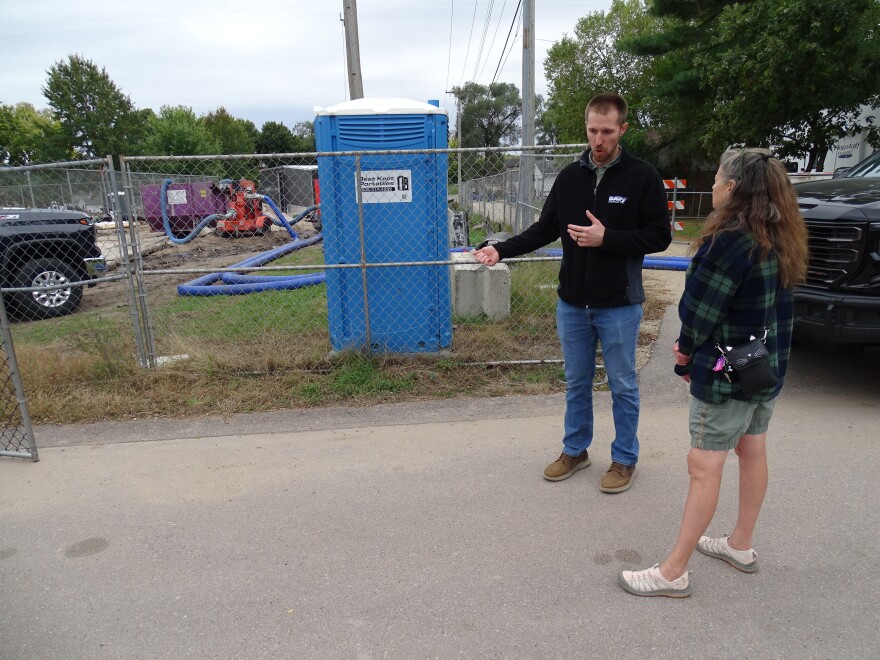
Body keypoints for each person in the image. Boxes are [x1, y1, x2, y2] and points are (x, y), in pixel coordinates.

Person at [618, 148, 809, 597]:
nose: (717, 185)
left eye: (720, 178)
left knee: (703, 465)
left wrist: (683, 355)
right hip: (764, 367)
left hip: (726, 371)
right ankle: (740, 544)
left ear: (733, 187)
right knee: (752, 449)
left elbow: (698, 314)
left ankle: (672, 572)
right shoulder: (781, 233)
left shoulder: (729, 240)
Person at [473, 92, 671, 493]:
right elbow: (545, 229)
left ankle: (623, 459)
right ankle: (575, 450)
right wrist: (500, 248)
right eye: (593, 131)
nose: (599, 140)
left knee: (623, 385)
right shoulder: (569, 178)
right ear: (586, 128)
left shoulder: (642, 177)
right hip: (573, 304)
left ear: (622, 130)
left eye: (607, 131)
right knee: (576, 382)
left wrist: (607, 238)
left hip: (619, 304)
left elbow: (660, 236)